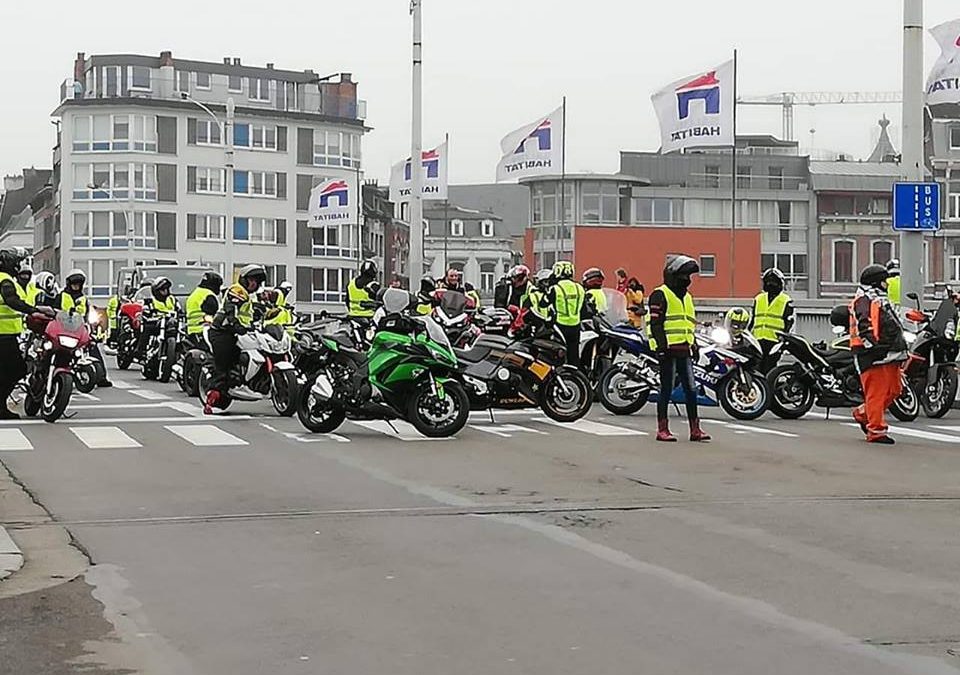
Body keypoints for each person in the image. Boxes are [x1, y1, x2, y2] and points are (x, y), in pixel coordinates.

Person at [648, 255, 710, 443]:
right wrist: (660, 347)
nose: (687, 280)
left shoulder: (688, 297)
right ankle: (662, 429)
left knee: (691, 389)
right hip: (668, 350)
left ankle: (695, 429)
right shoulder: (660, 294)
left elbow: (688, 323)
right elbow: (656, 324)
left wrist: (694, 343)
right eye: (684, 275)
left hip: (685, 349)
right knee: (666, 389)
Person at [850, 264, 908, 444]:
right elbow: (864, 325)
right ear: (876, 282)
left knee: (895, 390)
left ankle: (863, 413)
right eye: (884, 281)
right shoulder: (864, 300)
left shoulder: (880, 299)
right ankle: (876, 431)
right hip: (874, 355)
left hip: (891, 352)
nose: (888, 284)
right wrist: (873, 347)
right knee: (877, 393)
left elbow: (896, 318)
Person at [204, 264, 266, 414]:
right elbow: (231, 309)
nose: (254, 284)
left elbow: (247, 313)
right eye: (252, 280)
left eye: (257, 281)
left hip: (237, 332)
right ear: (244, 279)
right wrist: (235, 324)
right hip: (222, 332)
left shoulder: (248, 296)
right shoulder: (237, 290)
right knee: (224, 366)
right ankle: (210, 401)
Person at [0, 250, 52, 418]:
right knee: (17, 369)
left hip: (8, 335)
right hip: (3, 335)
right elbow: (12, 300)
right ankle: (0, 407)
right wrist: (34, 310)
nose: (18, 266)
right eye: (16, 263)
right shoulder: (5, 281)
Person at [53, 269, 113, 388]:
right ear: (69, 283)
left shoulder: (84, 299)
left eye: (78, 284)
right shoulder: (61, 296)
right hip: (63, 329)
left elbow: (87, 313)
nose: (76, 286)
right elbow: (55, 311)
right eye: (74, 283)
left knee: (93, 346)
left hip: (79, 328)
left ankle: (101, 377)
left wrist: (91, 322)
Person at [750, 268, 795, 373]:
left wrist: (784, 339)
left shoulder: (785, 300)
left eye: (774, 282)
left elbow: (790, 322)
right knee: (755, 368)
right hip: (757, 340)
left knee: (769, 369)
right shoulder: (759, 298)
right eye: (769, 281)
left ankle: (768, 388)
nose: (771, 284)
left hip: (774, 341)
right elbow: (753, 319)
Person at [546, 261, 584, 367]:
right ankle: (575, 376)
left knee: (559, 353)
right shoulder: (579, 288)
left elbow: (544, 303)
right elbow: (584, 308)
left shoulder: (555, 288)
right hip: (576, 325)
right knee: (574, 354)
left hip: (560, 325)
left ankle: (560, 375)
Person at [185, 271, 223, 344]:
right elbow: (216, 313)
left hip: (191, 330)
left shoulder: (195, 293)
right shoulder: (208, 295)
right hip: (204, 329)